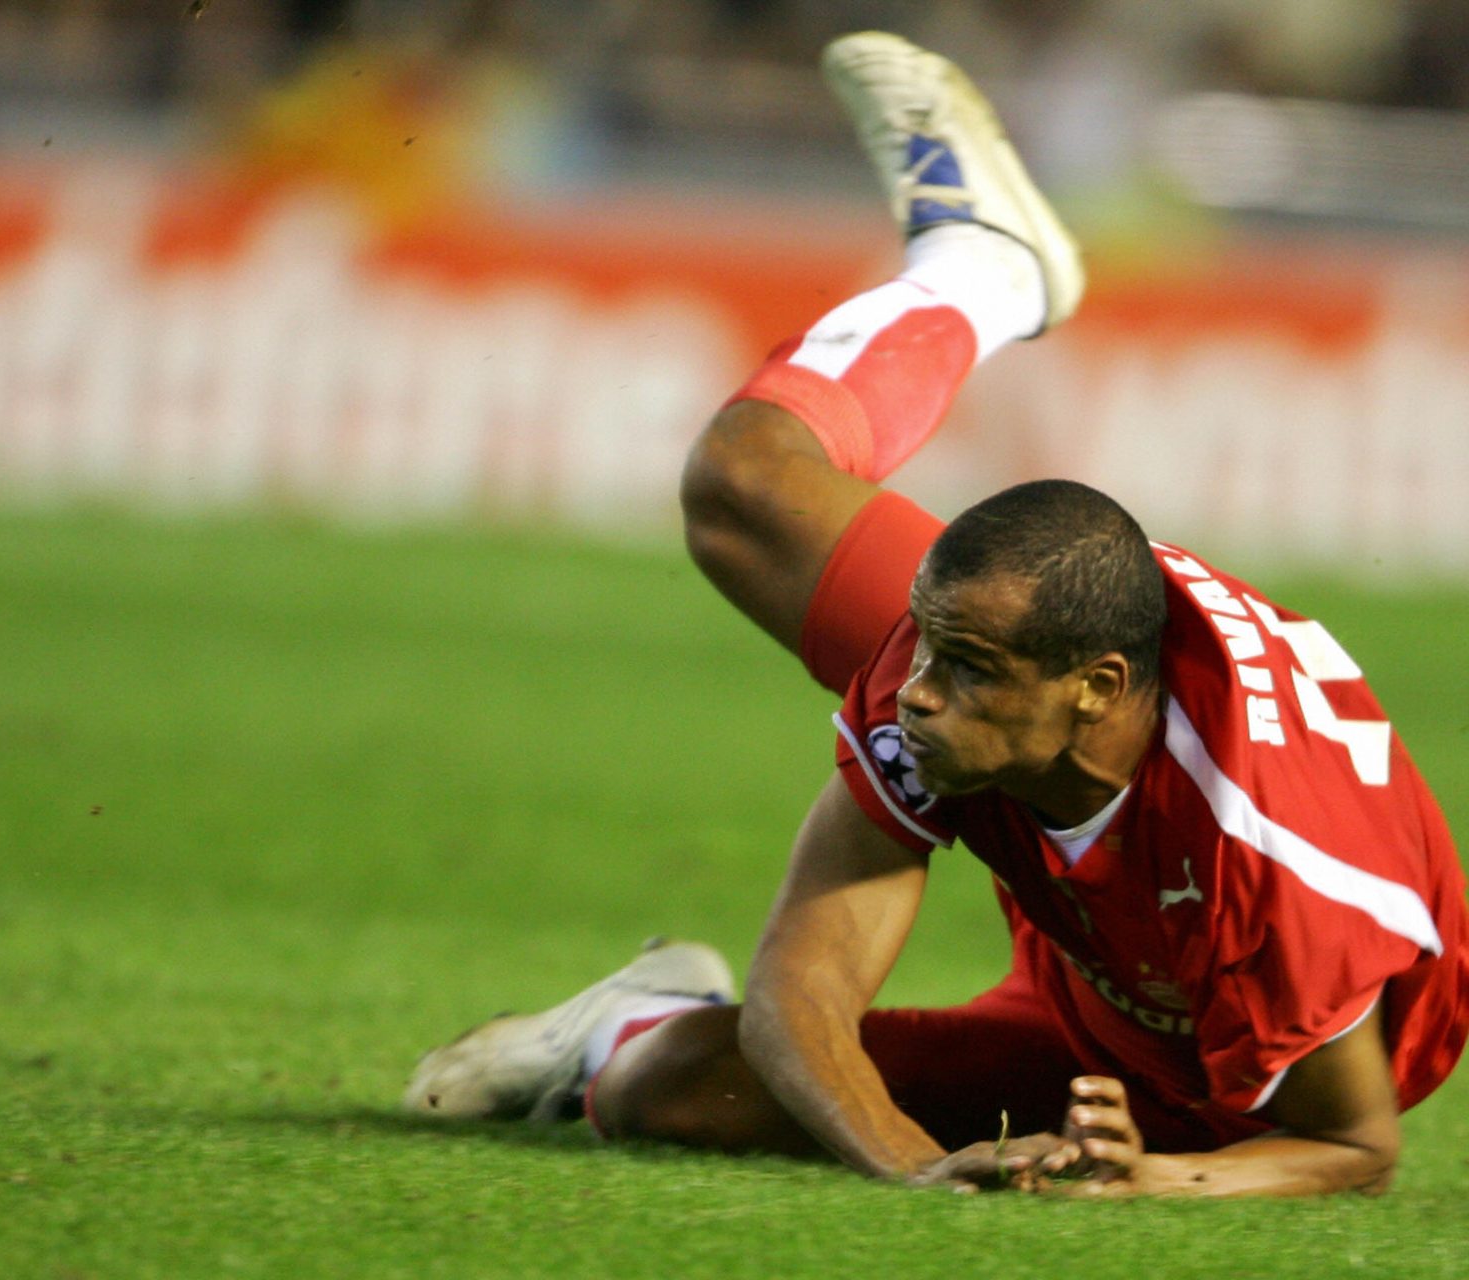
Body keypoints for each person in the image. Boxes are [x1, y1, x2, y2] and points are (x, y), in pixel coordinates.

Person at [401, 31, 1469, 1198]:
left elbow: (1359, 1148)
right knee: (744, 482)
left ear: (1097, 688)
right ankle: (985, 265)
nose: (914, 692)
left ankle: (631, 1019)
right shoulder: (960, 657)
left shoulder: (1270, 864)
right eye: (929, 652)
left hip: (1197, 1075)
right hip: (1097, 921)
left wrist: (1154, 1178)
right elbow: (804, 985)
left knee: (663, 1090)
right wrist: (919, 1170)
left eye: (959, 669)